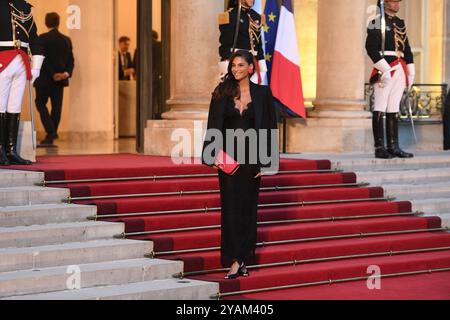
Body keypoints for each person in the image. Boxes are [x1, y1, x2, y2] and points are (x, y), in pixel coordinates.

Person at [202, 50, 278, 279]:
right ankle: (234, 260)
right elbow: (213, 125)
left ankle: (242, 257)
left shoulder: (263, 94)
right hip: (229, 160)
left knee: (248, 210)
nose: (236, 69)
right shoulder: (221, 93)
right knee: (231, 209)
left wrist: (267, 163)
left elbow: (270, 127)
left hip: (253, 159)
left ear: (251, 68)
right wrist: (212, 155)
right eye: (233, 65)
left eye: (241, 65)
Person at [366, 0, 414, 159]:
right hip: (385, 68)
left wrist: (411, 71)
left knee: (394, 107)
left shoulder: (400, 23)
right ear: (384, 3)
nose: (397, 5)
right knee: (380, 106)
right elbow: (371, 48)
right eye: (393, 2)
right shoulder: (374, 22)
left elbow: (407, 48)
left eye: (397, 2)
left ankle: (393, 146)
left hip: (400, 67)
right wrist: (384, 68)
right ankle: (379, 147)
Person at [0, 0, 44, 165]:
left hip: (22, 62)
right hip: (2, 60)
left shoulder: (25, 8)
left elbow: (34, 38)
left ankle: (11, 150)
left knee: (14, 106)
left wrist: (36, 67)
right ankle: (0, 150)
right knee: (1, 105)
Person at [34, 12, 74, 147]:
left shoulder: (42, 39)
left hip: (44, 80)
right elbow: (71, 60)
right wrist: (65, 74)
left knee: (40, 102)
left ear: (46, 23)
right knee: (56, 108)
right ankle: (51, 133)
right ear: (58, 23)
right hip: (60, 80)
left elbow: (42, 59)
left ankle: (50, 132)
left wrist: (52, 74)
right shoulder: (66, 40)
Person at [218, 0, 267, 84]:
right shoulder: (230, 15)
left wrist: (262, 66)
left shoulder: (257, 16)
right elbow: (225, 46)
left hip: (252, 63)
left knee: (253, 93)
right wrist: (227, 70)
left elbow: (258, 44)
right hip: (237, 63)